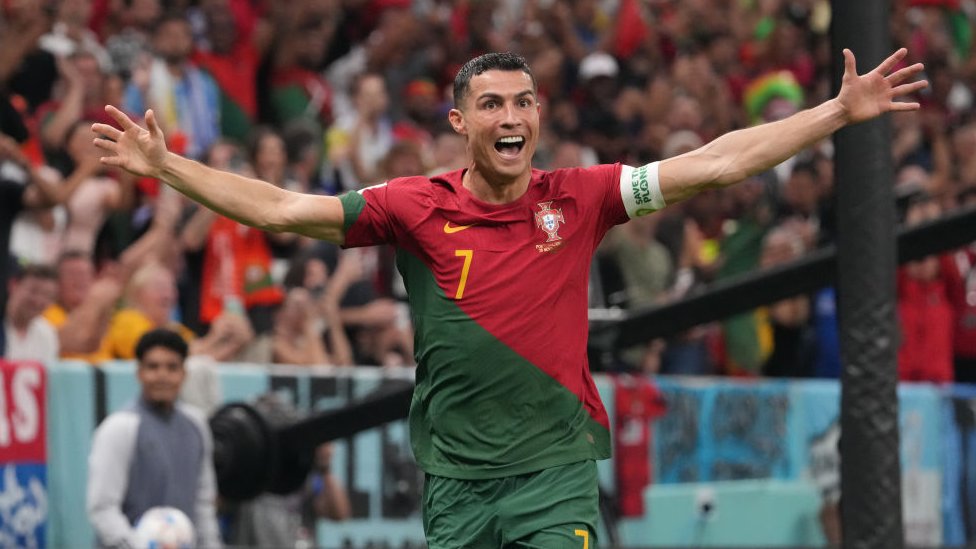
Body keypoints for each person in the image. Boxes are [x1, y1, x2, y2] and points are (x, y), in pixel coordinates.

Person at [93, 49, 926, 547]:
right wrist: (167, 167)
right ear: (461, 121)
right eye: (490, 103)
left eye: (522, 101)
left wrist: (835, 114)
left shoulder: (584, 195)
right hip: (455, 479)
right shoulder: (413, 205)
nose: (510, 114)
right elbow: (281, 207)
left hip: (555, 474)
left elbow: (715, 162)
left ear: (538, 113)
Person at [86, 328, 222, 548]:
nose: (162, 375)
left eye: (172, 367)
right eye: (153, 367)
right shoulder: (119, 428)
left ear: (184, 373)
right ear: (139, 373)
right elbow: (103, 508)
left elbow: (203, 504)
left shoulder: (197, 425)